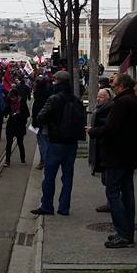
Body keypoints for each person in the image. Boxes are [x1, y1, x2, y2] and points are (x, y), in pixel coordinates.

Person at [88, 74, 137, 249]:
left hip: (117, 155)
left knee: (113, 193)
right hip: (129, 154)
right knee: (127, 194)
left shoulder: (122, 103)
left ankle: (123, 233)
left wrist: (93, 131)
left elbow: (111, 128)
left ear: (121, 86)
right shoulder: (135, 101)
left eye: (113, 84)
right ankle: (127, 233)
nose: (111, 86)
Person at [31, 71, 85, 216]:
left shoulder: (53, 99)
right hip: (72, 143)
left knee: (49, 176)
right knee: (67, 176)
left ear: (57, 81)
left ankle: (47, 206)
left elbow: (41, 117)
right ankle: (64, 207)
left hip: (55, 142)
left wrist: (51, 124)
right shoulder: (75, 100)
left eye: (54, 80)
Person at [89, 88, 115, 213]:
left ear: (108, 98)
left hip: (107, 149)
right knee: (106, 178)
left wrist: (92, 130)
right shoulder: (103, 108)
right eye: (98, 96)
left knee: (109, 179)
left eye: (101, 97)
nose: (98, 99)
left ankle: (113, 204)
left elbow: (106, 128)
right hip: (102, 148)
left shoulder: (109, 109)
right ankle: (111, 203)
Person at [4, 87, 30, 166]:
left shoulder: (22, 102)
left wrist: (18, 115)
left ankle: (22, 158)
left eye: (13, 97)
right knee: (9, 143)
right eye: (11, 97)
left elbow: (27, 114)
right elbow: (5, 112)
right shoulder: (9, 102)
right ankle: (7, 160)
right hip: (11, 125)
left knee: (20, 142)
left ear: (16, 96)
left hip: (19, 125)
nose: (12, 99)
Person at [30, 77, 52, 170]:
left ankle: (44, 161)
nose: (33, 85)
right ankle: (46, 160)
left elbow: (38, 110)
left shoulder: (40, 95)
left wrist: (35, 121)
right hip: (44, 121)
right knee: (45, 141)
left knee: (42, 142)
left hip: (41, 122)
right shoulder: (46, 92)